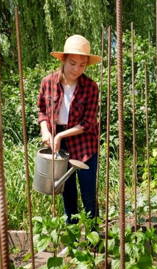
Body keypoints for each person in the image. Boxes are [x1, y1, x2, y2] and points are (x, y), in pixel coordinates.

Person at [37, 34, 101, 224]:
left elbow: (89, 122)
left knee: (88, 193)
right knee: (68, 193)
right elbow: (41, 110)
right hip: (61, 146)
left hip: (84, 145)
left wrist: (61, 134)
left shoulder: (90, 87)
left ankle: (93, 239)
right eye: (72, 63)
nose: (77, 69)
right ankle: (71, 239)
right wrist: (45, 131)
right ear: (63, 59)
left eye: (82, 65)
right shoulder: (47, 82)